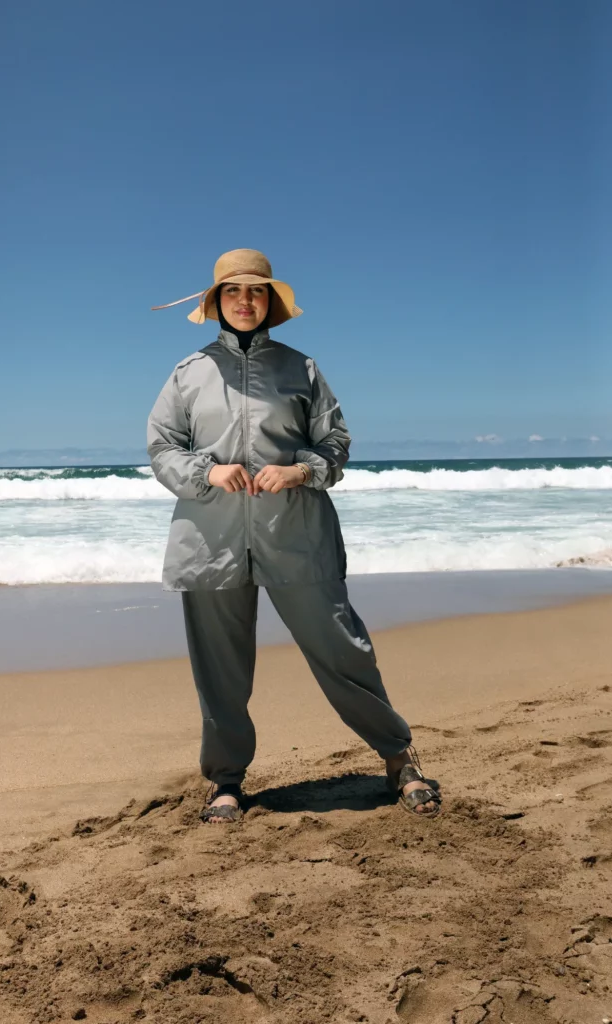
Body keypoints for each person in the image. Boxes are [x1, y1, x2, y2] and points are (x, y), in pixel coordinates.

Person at [147, 249, 442, 823]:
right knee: (220, 670)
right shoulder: (187, 373)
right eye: (234, 291)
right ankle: (226, 781)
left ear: (270, 301)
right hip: (210, 541)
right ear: (216, 302)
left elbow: (336, 443)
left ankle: (398, 758)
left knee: (342, 648)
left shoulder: (301, 368)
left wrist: (300, 471)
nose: (245, 301)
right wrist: (208, 472)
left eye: (256, 291)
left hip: (298, 533)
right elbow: (163, 449)